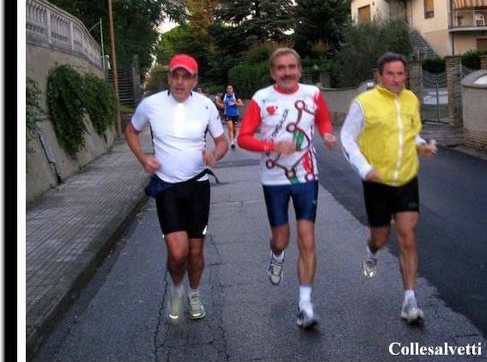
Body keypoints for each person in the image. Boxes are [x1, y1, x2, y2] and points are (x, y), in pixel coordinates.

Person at [237, 47, 337, 329]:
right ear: (273, 72)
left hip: (307, 176)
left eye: (292, 67)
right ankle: (277, 254)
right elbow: (243, 138)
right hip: (274, 179)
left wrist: (327, 134)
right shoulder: (261, 98)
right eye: (280, 68)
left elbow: (323, 119)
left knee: (307, 239)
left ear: (299, 69)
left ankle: (305, 305)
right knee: (281, 238)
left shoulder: (312, 94)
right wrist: (272, 145)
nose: (287, 72)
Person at [125, 54, 228, 323]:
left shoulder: (205, 105)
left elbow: (222, 141)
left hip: (197, 187)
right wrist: (143, 159)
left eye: (186, 77)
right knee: (178, 252)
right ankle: (177, 288)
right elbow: (131, 131)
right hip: (167, 188)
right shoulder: (152, 105)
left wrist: (214, 155)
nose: (180, 82)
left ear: (195, 80)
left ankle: (193, 294)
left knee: (195, 251)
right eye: (175, 75)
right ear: (169, 77)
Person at [340, 52, 437, 325]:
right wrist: (364, 168)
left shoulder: (411, 99)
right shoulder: (364, 103)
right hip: (377, 181)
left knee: (407, 236)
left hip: (406, 178)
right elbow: (347, 137)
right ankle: (372, 251)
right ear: (379, 76)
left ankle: (410, 301)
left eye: (400, 73)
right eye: (390, 74)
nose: (396, 79)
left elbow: (409, 132)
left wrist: (422, 145)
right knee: (381, 237)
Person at [216, 84, 244, 149]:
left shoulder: (235, 95)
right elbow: (221, 105)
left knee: (234, 129)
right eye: (228, 88)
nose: (229, 90)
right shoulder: (224, 96)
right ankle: (232, 142)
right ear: (226, 89)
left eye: (230, 88)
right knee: (230, 128)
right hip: (227, 114)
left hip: (235, 114)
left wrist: (235, 103)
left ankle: (234, 139)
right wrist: (218, 103)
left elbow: (241, 104)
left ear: (232, 89)